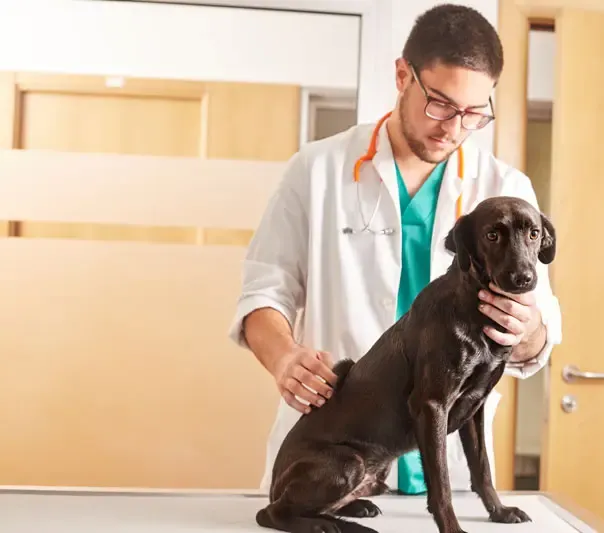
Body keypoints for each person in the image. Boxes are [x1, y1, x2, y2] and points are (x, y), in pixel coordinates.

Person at [228, 3, 562, 496]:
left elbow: (539, 332)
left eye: (474, 113)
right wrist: (284, 358)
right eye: (441, 105)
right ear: (403, 75)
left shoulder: (505, 187)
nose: (453, 127)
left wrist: (527, 328)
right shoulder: (318, 170)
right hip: (341, 450)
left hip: (447, 472)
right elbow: (262, 294)